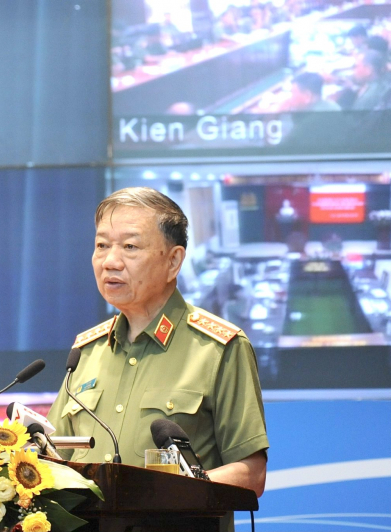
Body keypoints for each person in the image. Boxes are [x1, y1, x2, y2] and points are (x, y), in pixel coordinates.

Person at [47, 188, 269, 507]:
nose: (110, 261)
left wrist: (166, 493)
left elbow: (251, 474)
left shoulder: (218, 349)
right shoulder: (85, 352)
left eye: (130, 247)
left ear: (173, 261)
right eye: (102, 245)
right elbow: (50, 460)